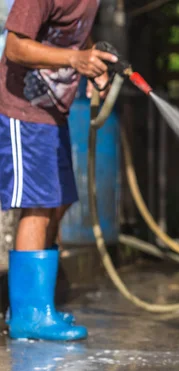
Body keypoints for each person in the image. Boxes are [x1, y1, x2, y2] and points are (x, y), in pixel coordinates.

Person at [0, 0, 118, 341]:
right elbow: (15, 46)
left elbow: (77, 33)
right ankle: (29, 315)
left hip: (53, 112)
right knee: (38, 204)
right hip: (21, 108)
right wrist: (73, 59)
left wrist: (95, 63)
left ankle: (36, 305)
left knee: (59, 199)